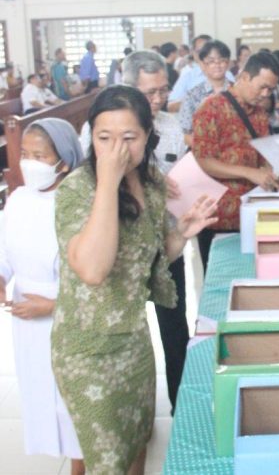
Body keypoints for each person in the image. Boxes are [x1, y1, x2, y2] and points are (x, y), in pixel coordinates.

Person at [51, 86, 217, 474]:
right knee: (106, 462)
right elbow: (93, 271)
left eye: (129, 138)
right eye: (104, 138)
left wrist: (181, 235)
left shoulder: (154, 184)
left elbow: (149, 261)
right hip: (86, 350)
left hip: (133, 342)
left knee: (136, 444)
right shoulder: (77, 190)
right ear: (90, 137)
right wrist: (107, 183)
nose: (116, 150)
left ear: (148, 136)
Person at [0, 119, 84, 473]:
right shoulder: (18, 199)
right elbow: (4, 252)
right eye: (25, 154)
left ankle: (82, 464)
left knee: (74, 402)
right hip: (27, 317)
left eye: (40, 155)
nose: (29, 162)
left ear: (63, 161)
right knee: (42, 395)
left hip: (68, 313)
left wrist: (51, 305)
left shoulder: (79, 203)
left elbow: (94, 278)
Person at [122, 50, 189, 414]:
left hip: (167, 242)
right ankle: (135, 415)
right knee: (127, 331)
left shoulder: (171, 126)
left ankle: (181, 407)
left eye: (163, 90)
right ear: (128, 87)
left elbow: (182, 175)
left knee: (174, 327)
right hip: (123, 245)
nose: (158, 99)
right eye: (149, 92)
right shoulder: (103, 126)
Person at [192, 52, 279, 271]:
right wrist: (248, 173)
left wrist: (271, 172)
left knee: (253, 274)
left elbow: (263, 154)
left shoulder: (260, 113)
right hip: (218, 216)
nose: (265, 94)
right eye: (262, 87)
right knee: (220, 277)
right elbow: (204, 161)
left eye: (270, 89)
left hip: (251, 212)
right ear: (243, 77)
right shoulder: (210, 109)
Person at [179, 40, 232, 147]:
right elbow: (185, 133)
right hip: (203, 154)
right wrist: (207, 149)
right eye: (211, 61)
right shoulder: (193, 95)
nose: (217, 65)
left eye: (222, 60)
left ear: (228, 63)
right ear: (203, 64)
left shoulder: (237, 91)